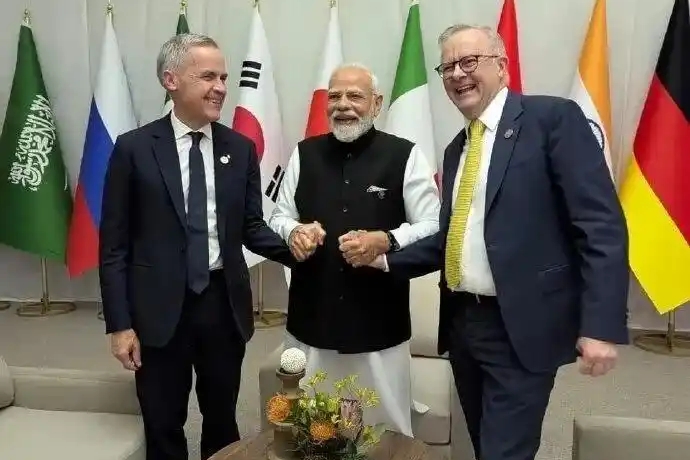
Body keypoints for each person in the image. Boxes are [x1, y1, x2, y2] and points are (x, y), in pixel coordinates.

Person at [368, 25, 629, 460]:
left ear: (502, 67)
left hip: (522, 326)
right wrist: (385, 260)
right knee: (485, 444)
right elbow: (455, 238)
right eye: (448, 67)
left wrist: (600, 325)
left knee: (504, 452)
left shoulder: (552, 120)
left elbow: (600, 226)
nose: (457, 74)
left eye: (469, 62)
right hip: (464, 326)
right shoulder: (457, 148)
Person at [99, 33, 298, 460]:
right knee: (162, 421)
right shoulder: (134, 149)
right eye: (208, 76)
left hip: (221, 304)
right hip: (156, 309)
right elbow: (113, 245)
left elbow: (251, 228)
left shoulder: (239, 149)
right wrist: (120, 325)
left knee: (222, 419)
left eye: (223, 78)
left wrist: (297, 249)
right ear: (171, 80)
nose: (221, 87)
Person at [268, 63, 441, 436]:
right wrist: (295, 230)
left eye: (355, 96)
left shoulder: (405, 155)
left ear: (376, 103)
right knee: (311, 428)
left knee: (382, 433)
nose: (343, 104)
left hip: (378, 322)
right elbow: (279, 216)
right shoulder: (304, 153)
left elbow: (432, 224)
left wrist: (388, 239)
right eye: (334, 96)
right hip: (313, 317)